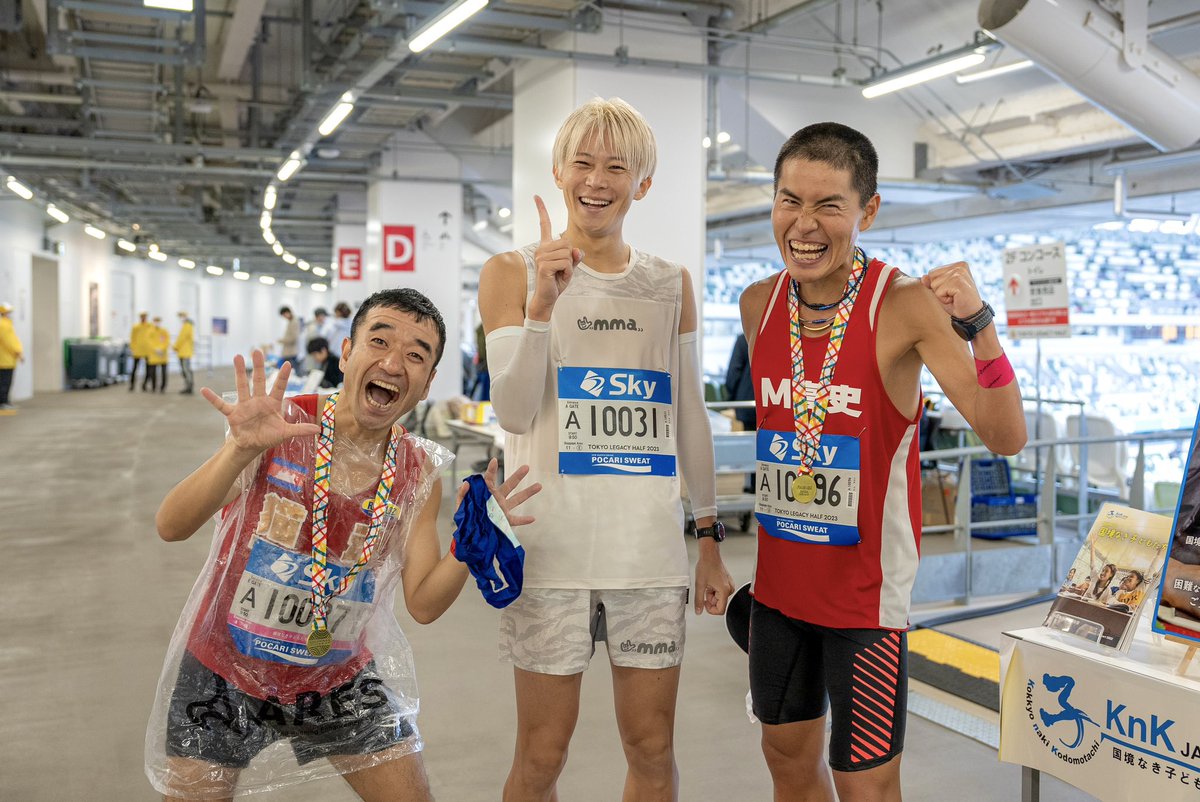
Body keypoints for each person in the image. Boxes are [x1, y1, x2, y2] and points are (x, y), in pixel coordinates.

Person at [147, 288, 540, 800]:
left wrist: (469, 546)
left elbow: (423, 603)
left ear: (427, 384)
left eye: (416, 355)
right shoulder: (280, 425)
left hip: (337, 681)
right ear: (348, 352)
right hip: (224, 668)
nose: (394, 362)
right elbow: (171, 525)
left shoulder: (416, 471)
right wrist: (239, 450)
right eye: (379, 341)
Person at [738, 122, 1025, 800]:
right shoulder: (759, 303)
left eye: (828, 205)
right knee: (786, 765)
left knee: (864, 786)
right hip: (778, 591)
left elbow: (1004, 435)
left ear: (867, 210)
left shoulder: (903, 305)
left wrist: (980, 324)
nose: (804, 225)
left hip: (865, 600)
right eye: (789, 201)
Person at [478, 97, 734, 800]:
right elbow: (512, 408)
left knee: (652, 750)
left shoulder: (668, 283)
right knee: (541, 754)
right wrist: (541, 306)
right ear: (559, 171)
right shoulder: (509, 271)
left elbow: (688, 414)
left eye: (616, 166)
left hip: (647, 556)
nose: (597, 179)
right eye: (584, 162)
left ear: (641, 184)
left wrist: (708, 535)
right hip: (550, 550)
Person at [724, 333, 755, 432]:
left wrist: (731, 399)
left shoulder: (744, 338)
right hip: (772, 403)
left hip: (746, 404)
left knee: (749, 443)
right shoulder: (780, 338)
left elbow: (733, 373)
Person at [0, 301, 23, 411]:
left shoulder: (6, 324)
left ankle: (4, 401)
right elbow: (9, 342)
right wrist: (18, 352)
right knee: (5, 381)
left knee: (5, 381)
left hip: (7, 359)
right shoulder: (4, 325)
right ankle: (3, 402)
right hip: (5, 359)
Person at [146, 316, 170, 393]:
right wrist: (155, 349)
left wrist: (162, 348)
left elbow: (167, 340)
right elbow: (148, 341)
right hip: (153, 354)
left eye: (158, 321)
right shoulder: (150, 331)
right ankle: (154, 386)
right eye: (155, 321)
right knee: (152, 372)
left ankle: (163, 387)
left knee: (164, 372)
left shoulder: (164, 331)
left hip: (162, 354)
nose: (157, 322)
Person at [130, 311, 152, 392]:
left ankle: (144, 384)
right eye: (142, 316)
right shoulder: (136, 327)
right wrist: (133, 348)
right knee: (134, 369)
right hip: (138, 351)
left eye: (144, 316)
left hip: (147, 351)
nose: (143, 318)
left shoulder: (150, 326)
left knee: (148, 369)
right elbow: (132, 338)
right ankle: (132, 385)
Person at [175, 312, 195, 395]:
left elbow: (182, 338)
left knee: (186, 370)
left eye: (182, 316)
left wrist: (175, 346)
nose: (181, 318)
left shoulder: (187, 326)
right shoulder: (185, 326)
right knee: (185, 370)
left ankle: (189, 387)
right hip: (183, 352)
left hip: (185, 352)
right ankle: (188, 386)